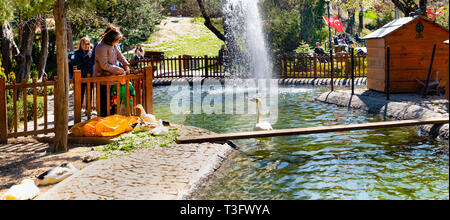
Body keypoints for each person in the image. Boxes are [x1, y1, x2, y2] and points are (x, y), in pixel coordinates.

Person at [93, 25, 130, 117]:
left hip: (112, 78)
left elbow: (119, 55)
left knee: (113, 101)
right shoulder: (101, 46)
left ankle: (112, 119)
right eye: (117, 40)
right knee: (104, 102)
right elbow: (104, 65)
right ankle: (103, 119)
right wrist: (119, 70)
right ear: (112, 39)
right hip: (103, 79)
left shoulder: (112, 45)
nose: (118, 42)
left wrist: (126, 65)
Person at [68, 36, 94, 110]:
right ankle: (78, 111)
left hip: (89, 76)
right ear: (82, 44)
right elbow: (78, 63)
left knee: (89, 95)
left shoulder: (90, 52)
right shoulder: (76, 53)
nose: (87, 45)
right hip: (81, 76)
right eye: (86, 44)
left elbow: (92, 63)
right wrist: (87, 57)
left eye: (88, 44)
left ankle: (88, 111)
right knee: (80, 95)